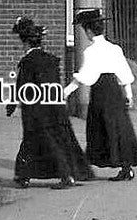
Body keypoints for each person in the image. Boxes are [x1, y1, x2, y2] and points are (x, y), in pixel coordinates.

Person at [6, 16, 92, 190]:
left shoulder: (28, 62)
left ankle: (29, 176)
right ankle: (69, 173)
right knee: (59, 139)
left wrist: (12, 104)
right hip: (55, 106)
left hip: (36, 110)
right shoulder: (51, 60)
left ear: (25, 43)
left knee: (34, 141)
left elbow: (22, 87)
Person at [64, 10, 137, 182]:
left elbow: (85, 76)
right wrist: (129, 95)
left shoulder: (90, 52)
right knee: (119, 127)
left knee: (100, 128)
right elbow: (124, 72)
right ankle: (126, 168)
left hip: (101, 92)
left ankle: (84, 169)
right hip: (115, 90)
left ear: (89, 31)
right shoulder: (115, 49)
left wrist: (66, 92)